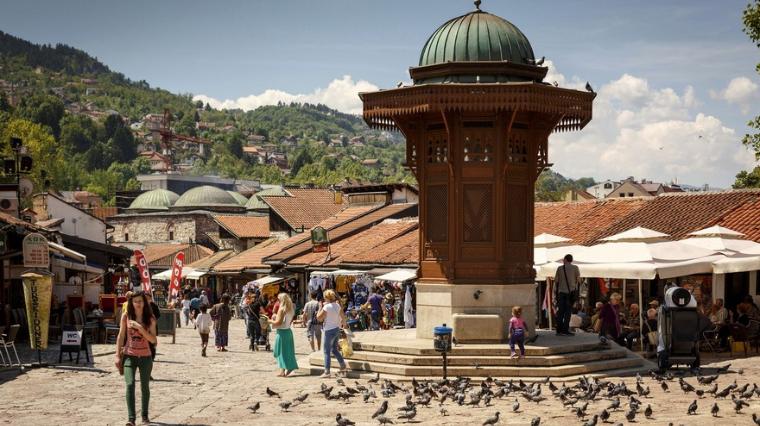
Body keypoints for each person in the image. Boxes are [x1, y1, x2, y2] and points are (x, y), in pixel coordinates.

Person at [115, 291, 157, 426]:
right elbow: (121, 336)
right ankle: (131, 419)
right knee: (129, 384)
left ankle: (144, 416)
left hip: (145, 357)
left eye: (141, 301)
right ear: (131, 303)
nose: (138, 304)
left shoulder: (150, 318)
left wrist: (140, 328)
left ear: (145, 303)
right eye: (136, 301)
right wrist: (117, 355)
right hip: (129, 356)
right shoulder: (126, 317)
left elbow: (153, 340)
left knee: (145, 387)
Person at [317, 289, 348, 378]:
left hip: (329, 330)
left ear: (326, 298)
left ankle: (327, 372)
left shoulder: (326, 307)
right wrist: (344, 325)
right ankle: (343, 366)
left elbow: (319, 318)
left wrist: (320, 307)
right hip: (337, 329)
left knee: (326, 351)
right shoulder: (337, 305)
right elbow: (343, 317)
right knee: (334, 349)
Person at [269, 292, 298, 376]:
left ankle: (283, 371)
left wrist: (269, 321)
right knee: (288, 352)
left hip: (282, 332)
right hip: (288, 331)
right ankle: (287, 368)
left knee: (280, 352)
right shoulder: (291, 309)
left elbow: (278, 322)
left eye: (278, 299)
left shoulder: (282, 309)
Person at [553, 254, 581, 336]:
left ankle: (559, 330)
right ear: (571, 260)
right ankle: (565, 330)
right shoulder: (575, 268)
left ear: (565, 260)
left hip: (561, 293)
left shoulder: (560, 268)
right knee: (568, 312)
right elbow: (579, 280)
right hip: (570, 293)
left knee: (560, 311)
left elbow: (556, 281)